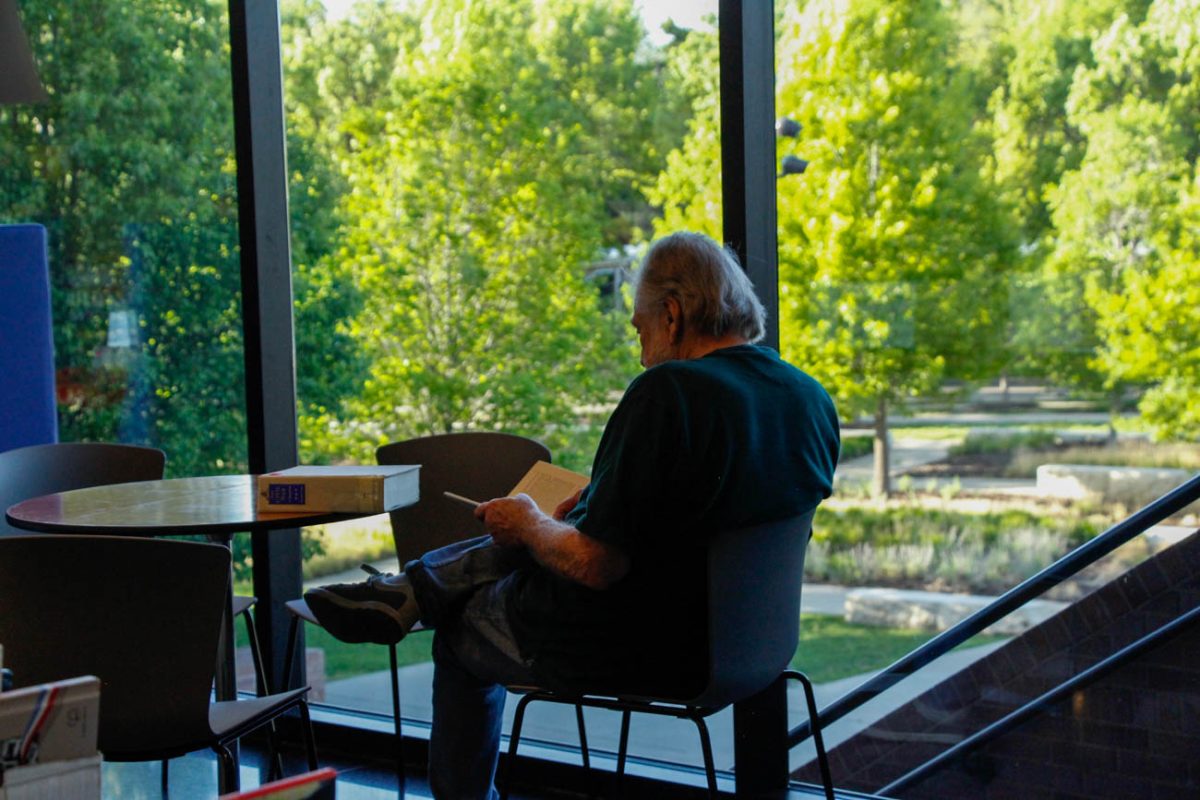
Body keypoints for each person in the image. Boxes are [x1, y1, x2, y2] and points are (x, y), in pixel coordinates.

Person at [305, 231, 840, 799]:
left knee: (462, 632)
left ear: (673, 315)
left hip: (648, 644)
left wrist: (533, 524)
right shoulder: (807, 396)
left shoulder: (670, 392)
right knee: (546, 530)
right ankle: (414, 588)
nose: (641, 351)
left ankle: (415, 593)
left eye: (640, 329)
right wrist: (587, 507)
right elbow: (699, 519)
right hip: (754, 644)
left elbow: (595, 566)